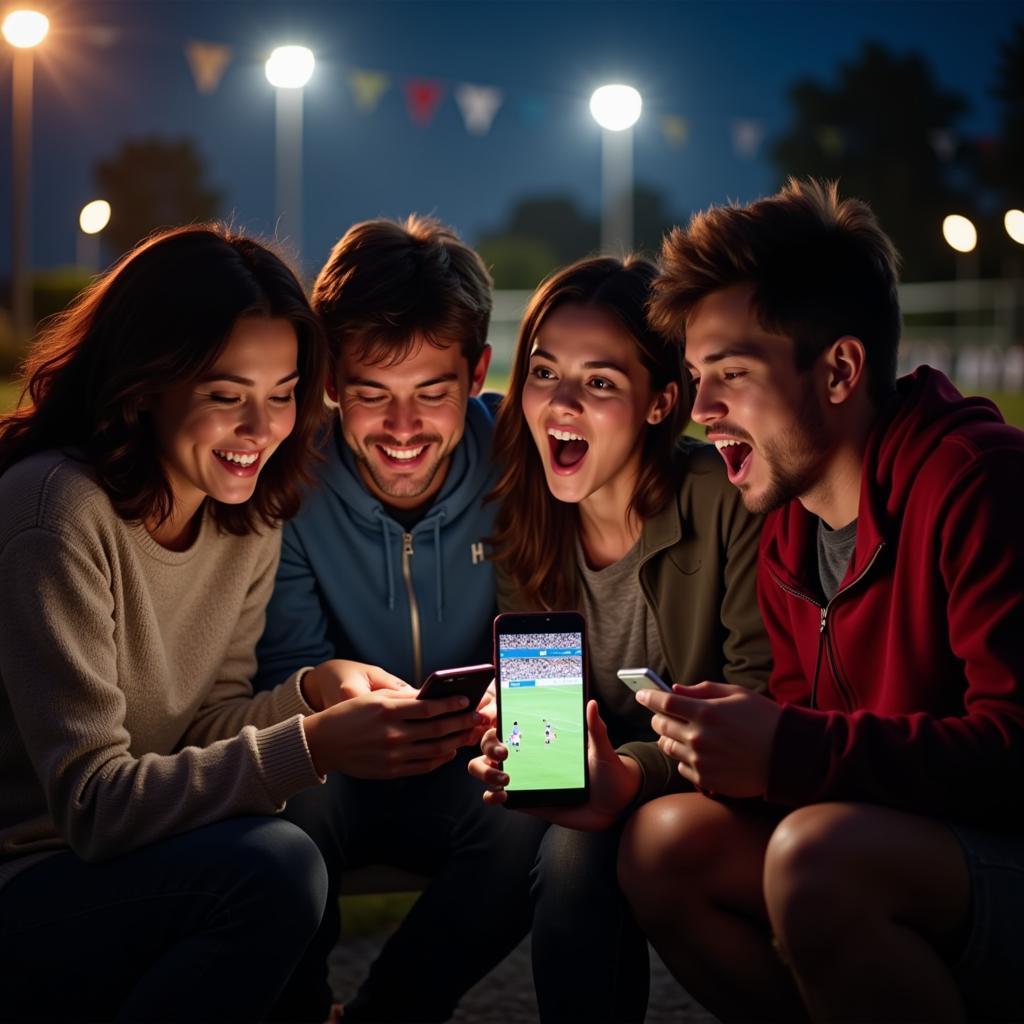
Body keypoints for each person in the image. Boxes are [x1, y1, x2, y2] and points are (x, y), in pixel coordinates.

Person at [0, 225, 483, 1022]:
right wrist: (316, 744)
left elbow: (206, 727)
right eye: (227, 396)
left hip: (150, 860)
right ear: (146, 384)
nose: (261, 430)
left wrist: (314, 694)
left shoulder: (246, 516)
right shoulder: (56, 512)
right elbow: (90, 805)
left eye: (283, 393)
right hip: (34, 873)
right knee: (275, 864)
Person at [618, 179, 1024, 1023]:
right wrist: (707, 754)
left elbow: (1015, 750)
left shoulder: (977, 480)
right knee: (665, 845)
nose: (700, 411)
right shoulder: (788, 526)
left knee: (816, 856)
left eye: (730, 373)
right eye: (696, 378)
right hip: (886, 840)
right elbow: (816, 747)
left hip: (995, 853)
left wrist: (791, 749)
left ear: (839, 368)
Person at [254, 215, 546, 1022]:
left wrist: (515, 719)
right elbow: (288, 664)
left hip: (468, 769)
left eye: (433, 393)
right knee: (283, 804)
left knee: (541, 813)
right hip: (340, 764)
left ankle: (390, 1013)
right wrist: (328, 696)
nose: (404, 429)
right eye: (373, 394)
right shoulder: (289, 481)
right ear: (330, 383)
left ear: (479, 370)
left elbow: (543, 633)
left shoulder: (521, 464)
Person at [468, 255, 771, 1022]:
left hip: (722, 787)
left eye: (600, 382)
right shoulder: (526, 523)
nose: (560, 402)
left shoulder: (721, 498)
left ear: (660, 402)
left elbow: (757, 698)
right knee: (532, 824)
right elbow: (551, 737)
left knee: (576, 849)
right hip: (604, 784)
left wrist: (627, 776)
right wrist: (519, 731)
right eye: (543, 372)